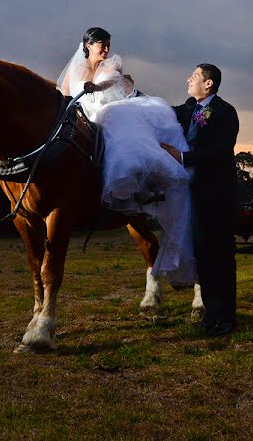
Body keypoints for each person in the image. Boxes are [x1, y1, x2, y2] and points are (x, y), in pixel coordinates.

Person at [57, 27, 195, 286]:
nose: (106, 49)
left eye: (108, 44)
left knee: (124, 142)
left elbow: (112, 81)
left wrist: (95, 86)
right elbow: (66, 97)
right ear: (87, 45)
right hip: (84, 117)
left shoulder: (113, 62)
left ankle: (138, 187)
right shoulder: (74, 69)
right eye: (101, 44)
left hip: (109, 110)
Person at [161, 64, 239, 337]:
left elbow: (219, 151)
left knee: (220, 255)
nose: (188, 79)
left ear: (208, 84)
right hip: (192, 195)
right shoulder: (187, 109)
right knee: (203, 255)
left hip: (217, 195)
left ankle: (226, 318)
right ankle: (210, 314)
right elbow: (161, 112)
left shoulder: (226, 112)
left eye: (193, 76)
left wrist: (182, 157)